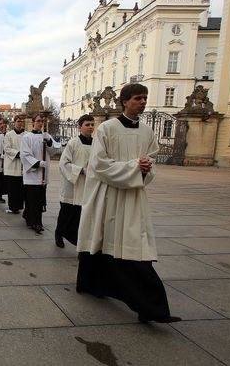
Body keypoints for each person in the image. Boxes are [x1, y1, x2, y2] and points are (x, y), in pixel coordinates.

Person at [76, 83, 181, 323]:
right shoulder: (107, 129)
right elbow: (99, 165)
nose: (142, 102)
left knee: (134, 247)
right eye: (137, 98)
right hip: (109, 195)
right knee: (106, 241)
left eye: (144, 98)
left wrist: (144, 170)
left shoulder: (146, 131)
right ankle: (95, 285)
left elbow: (151, 161)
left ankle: (151, 307)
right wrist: (134, 167)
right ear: (124, 101)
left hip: (133, 196)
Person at [55, 114, 94, 248]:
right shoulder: (73, 143)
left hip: (87, 185)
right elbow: (63, 163)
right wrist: (81, 170)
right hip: (72, 184)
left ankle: (78, 240)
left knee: (80, 216)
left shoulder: (97, 144)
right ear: (79, 127)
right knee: (66, 214)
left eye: (92, 124)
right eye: (87, 125)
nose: (90, 127)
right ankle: (59, 233)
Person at [20, 114, 53, 234]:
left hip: (43, 175)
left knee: (39, 199)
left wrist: (49, 142)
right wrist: (37, 163)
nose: (40, 123)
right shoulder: (27, 137)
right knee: (32, 199)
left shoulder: (46, 136)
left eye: (42, 121)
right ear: (33, 122)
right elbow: (24, 154)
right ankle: (36, 222)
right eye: (38, 121)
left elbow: (55, 150)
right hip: (32, 174)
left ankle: (31, 218)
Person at [3, 115, 26, 214]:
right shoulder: (9, 135)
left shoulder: (26, 135)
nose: (20, 123)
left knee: (20, 188)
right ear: (14, 123)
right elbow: (7, 148)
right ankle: (12, 207)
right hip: (12, 165)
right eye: (18, 121)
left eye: (21, 121)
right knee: (12, 188)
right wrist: (17, 153)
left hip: (22, 165)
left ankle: (19, 206)